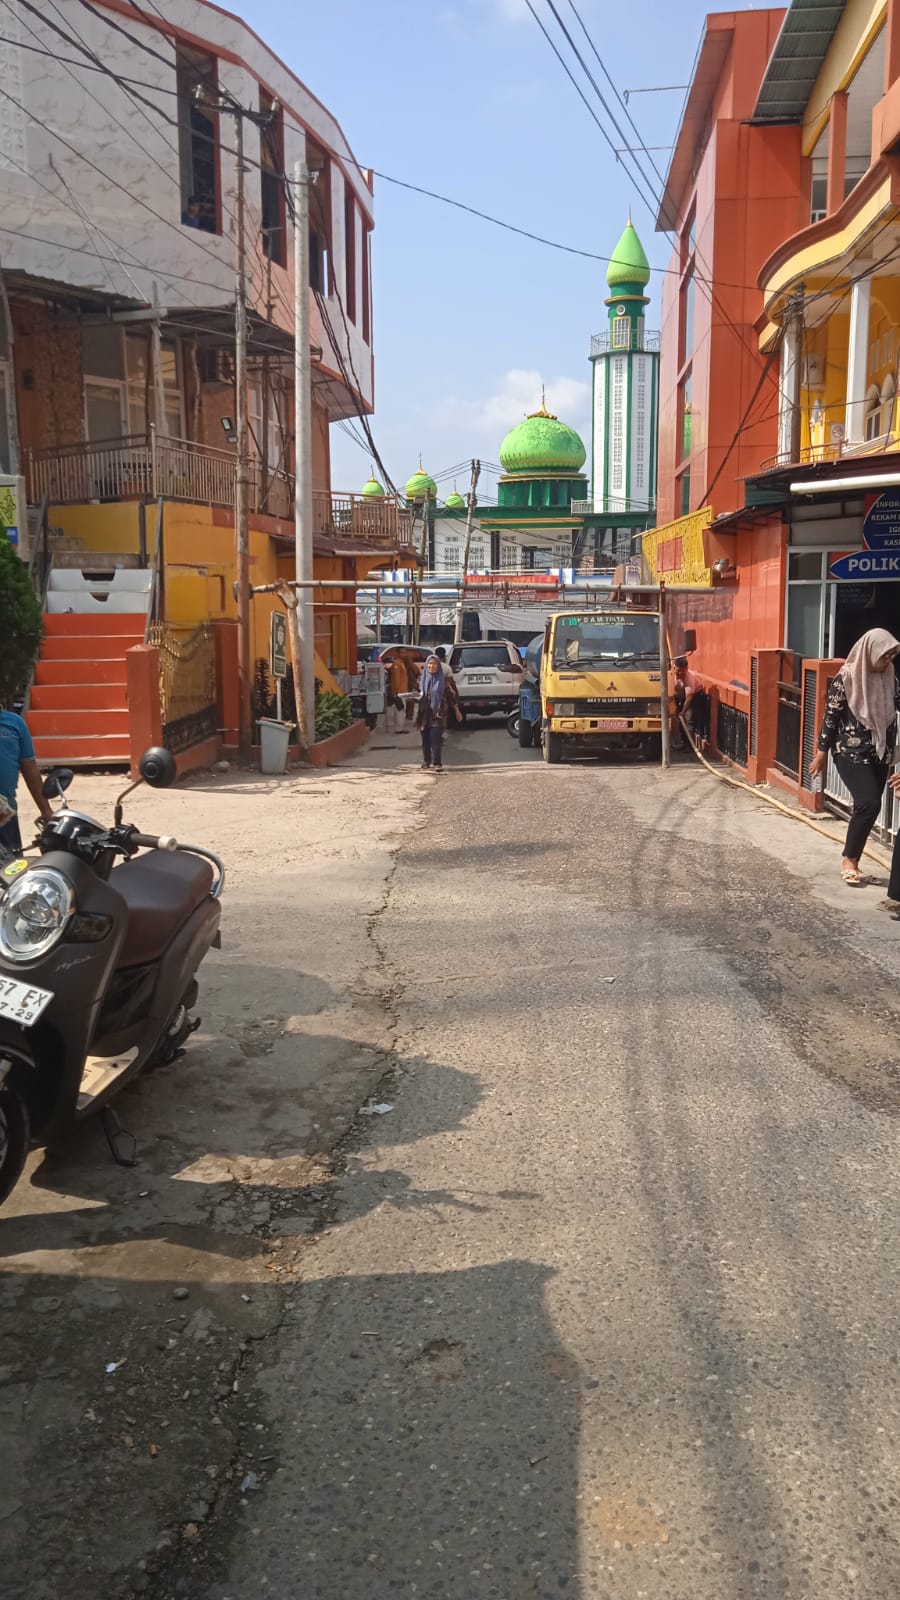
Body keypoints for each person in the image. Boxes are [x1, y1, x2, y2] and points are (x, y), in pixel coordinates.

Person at [809, 627, 900, 886]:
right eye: (883, 656)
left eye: (892, 656)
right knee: (869, 802)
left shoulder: (890, 678)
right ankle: (849, 860)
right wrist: (821, 753)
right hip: (849, 752)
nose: (887, 661)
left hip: (880, 752)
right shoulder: (846, 677)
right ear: (869, 653)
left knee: (870, 806)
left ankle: (854, 860)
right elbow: (831, 716)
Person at [0, 706, 52, 853]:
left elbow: (30, 767)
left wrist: (46, 810)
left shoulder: (15, 723)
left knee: (11, 864)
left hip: (5, 816)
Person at [416, 654, 452, 772]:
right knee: (425, 739)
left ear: (438, 666)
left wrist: (456, 710)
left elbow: (450, 696)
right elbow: (418, 694)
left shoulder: (443, 681)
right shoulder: (422, 680)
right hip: (424, 714)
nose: (432, 666)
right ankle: (426, 761)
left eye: (435, 664)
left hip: (438, 714)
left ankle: (437, 763)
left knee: (435, 739)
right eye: (430, 664)